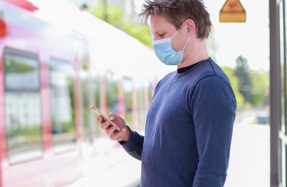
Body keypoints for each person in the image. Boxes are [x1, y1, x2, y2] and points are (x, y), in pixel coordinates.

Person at [96, 0, 237, 186]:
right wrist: (127, 137)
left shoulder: (210, 85)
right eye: (154, 35)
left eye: (161, 34)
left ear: (188, 27)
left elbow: (212, 171)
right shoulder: (165, 83)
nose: (156, 43)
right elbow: (159, 155)